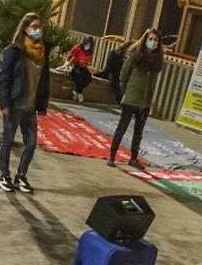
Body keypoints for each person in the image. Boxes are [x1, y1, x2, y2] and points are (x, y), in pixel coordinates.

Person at [0, 11, 51, 193]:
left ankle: (21, 176)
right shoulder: (15, 51)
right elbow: (4, 78)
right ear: (25, 28)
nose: (38, 31)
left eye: (39, 27)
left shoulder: (42, 53)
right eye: (34, 27)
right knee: (8, 140)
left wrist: (42, 103)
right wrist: (4, 103)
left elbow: (44, 80)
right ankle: (4, 176)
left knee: (32, 143)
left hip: (31, 106)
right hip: (15, 103)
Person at [108, 31, 164, 166]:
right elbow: (123, 76)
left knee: (139, 132)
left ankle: (133, 158)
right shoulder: (135, 56)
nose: (153, 42)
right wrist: (126, 91)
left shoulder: (157, 61)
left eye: (156, 40)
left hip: (145, 102)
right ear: (145, 40)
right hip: (131, 99)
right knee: (122, 128)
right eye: (150, 39)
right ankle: (112, 156)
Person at [66, 35, 95, 103]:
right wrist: (78, 61)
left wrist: (85, 64)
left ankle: (77, 91)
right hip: (75, 65)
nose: (88, 45)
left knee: (88, 77)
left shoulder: (90, 51)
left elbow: (88, 60)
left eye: (90, 43)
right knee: (79, 75)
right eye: (87, 43)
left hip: (83, 67)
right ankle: (79, 92)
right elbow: (69, 57)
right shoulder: (77, 47)